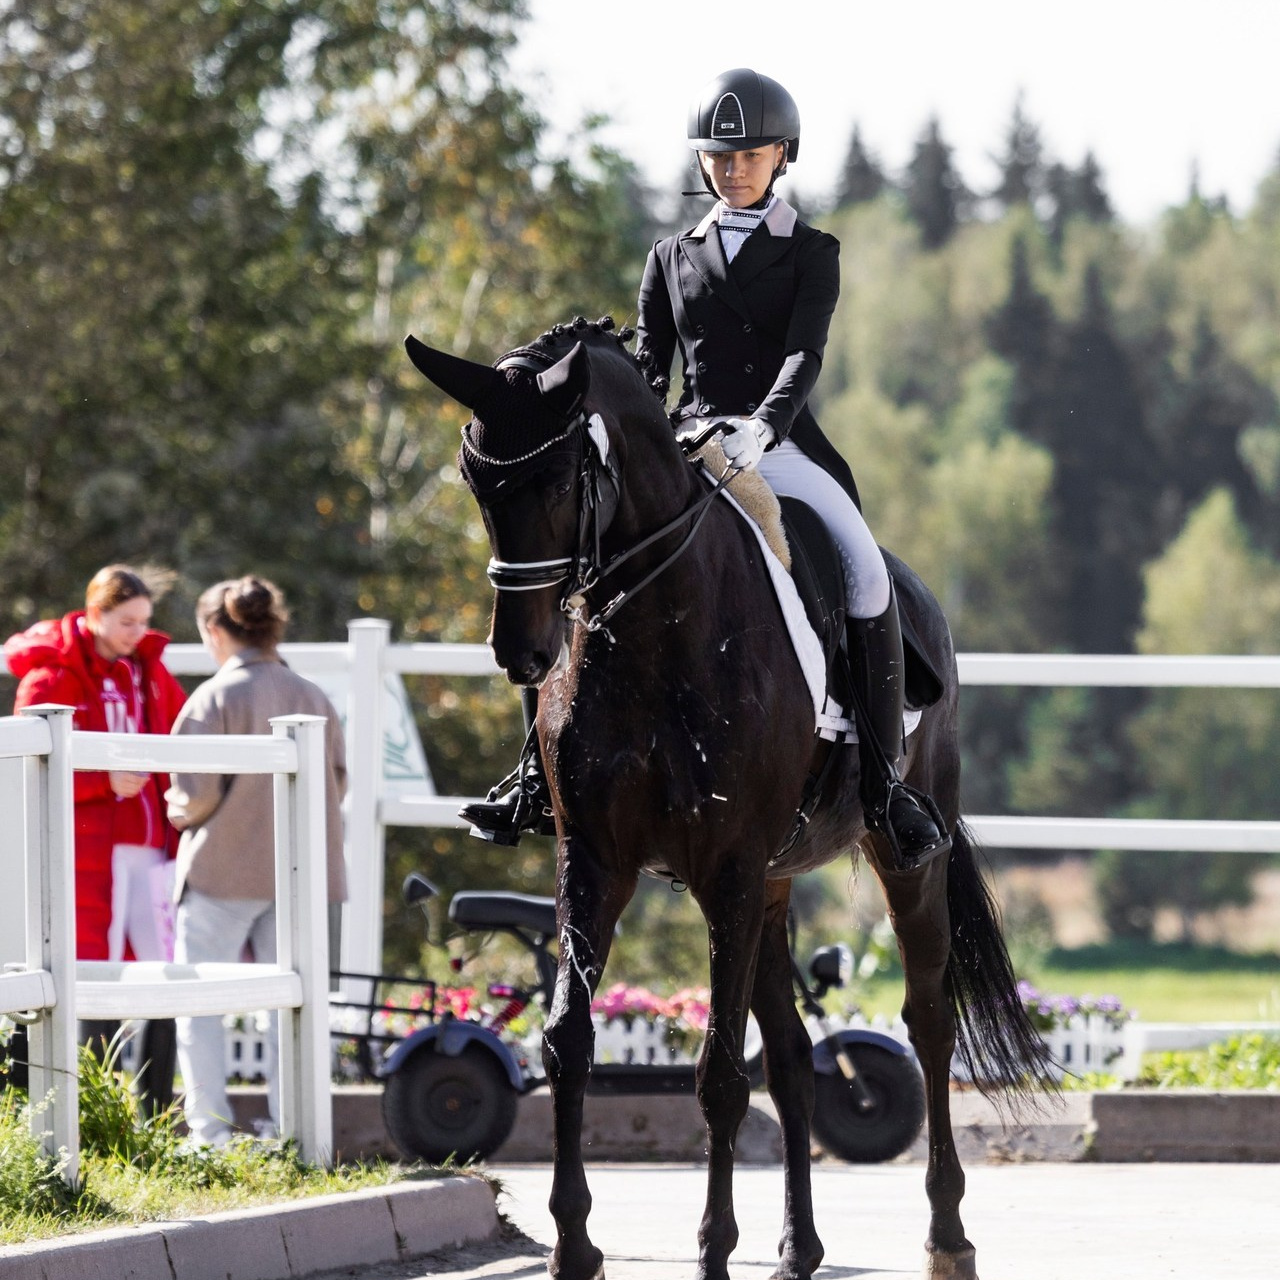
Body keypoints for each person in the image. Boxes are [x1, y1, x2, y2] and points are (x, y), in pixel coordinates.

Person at [464, 67, 947, 868]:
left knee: (862, 567)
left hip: (777, 446)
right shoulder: (670, 254)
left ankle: (885, 787)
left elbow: (805, 354)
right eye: (718, 157)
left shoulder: (810, 252)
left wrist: (765, 427)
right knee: (570, 558)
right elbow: (655, 365)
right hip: (685, 447)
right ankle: (531, 774)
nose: (732, 170)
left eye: (749, 156)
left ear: (781, 156)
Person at [166, 576, 347, 1147]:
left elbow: (194, 793)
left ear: (216, 630)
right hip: (303, 872)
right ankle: (292, 1128)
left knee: (199, 1004)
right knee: (290, 1008)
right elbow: (336, 783)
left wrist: (178, 812)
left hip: (224, 869)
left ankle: (209, 1132)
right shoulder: (313, 696)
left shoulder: (213, 697)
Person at [4, 564, 188, 1110]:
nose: (137, 633)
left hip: (152, 848)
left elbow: (183, 728)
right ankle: (86, 1109)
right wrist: (100, 780)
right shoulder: (52, 673)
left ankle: (153, 1109)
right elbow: (28, 765)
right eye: (127, 621)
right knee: (92, 973)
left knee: (164, 972)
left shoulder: (148, 670)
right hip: (89, 849)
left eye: (144, 622)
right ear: (96, 613)